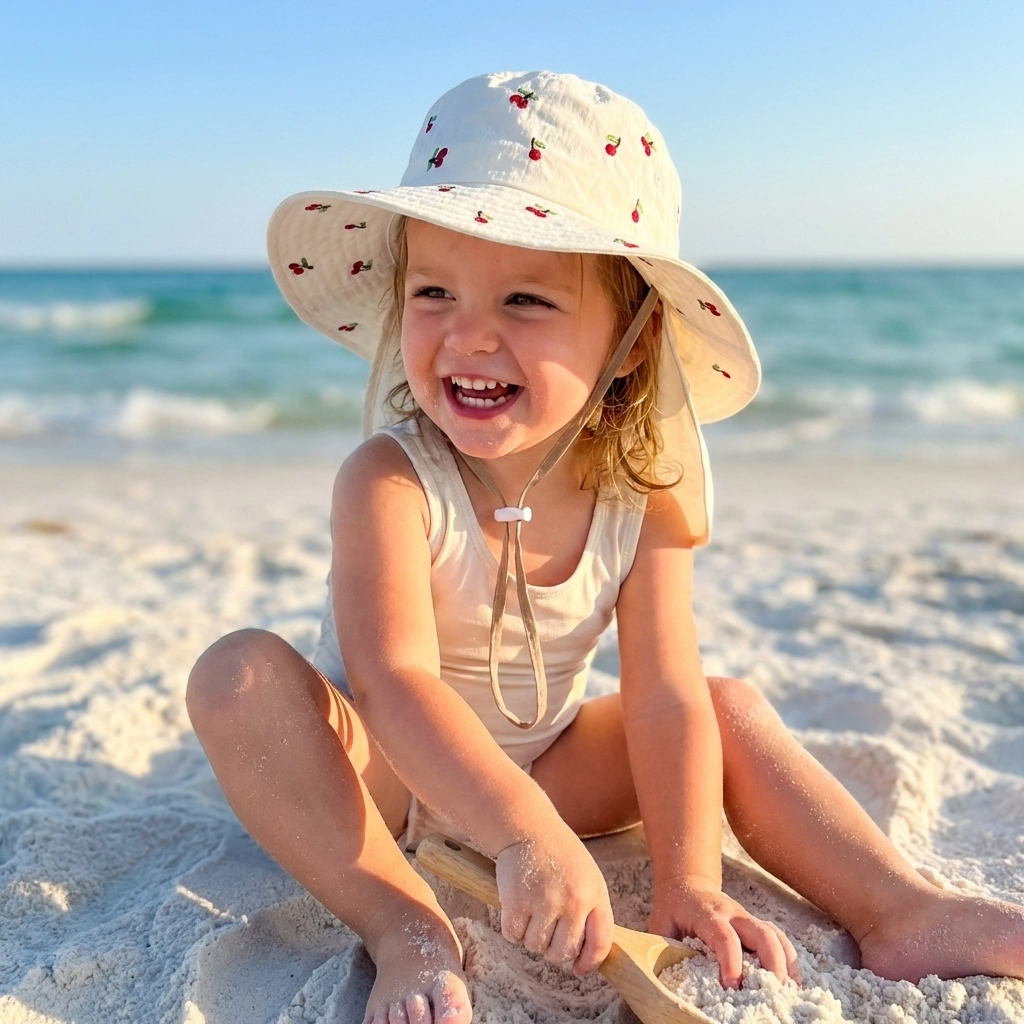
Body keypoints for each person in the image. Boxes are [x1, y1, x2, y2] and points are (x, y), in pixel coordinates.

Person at [186, 71, 1024, 1024]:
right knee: (239, 678)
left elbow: (663, 697)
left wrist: (689, 880)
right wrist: (525, 837)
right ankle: (403, 924)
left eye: (525, 301)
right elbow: (393, 680)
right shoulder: (390, 478)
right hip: (377, 780)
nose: (470, 334)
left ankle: (898, 909)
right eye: (434, 291)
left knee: (724, 707)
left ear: (630, 339)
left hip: (547, 769)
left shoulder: (644, 497)